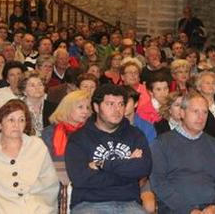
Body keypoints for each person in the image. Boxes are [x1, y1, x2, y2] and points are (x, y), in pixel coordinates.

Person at [65, 84, 152, 213]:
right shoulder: (79, 138)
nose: (117, 109)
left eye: (121, 104)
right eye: (110, 104)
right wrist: (127, 170)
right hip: (89, 204)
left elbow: (144, 168)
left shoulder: (135, 134)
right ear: (96, 107)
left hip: (128, 204)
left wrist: (102, 164)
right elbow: (80, 178)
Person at [0, 99, 59, 213]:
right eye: (11, 120)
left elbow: (49, 185)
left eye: (21, 120)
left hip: (35, 208)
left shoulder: (37, 147)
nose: (16, 125)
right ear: (0, 124)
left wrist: (32, 206)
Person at [150, 92, 215, 213]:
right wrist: (189, 210)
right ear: (182, 113)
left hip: (211, 208)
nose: (201, 117)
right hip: (176, 209)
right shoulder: (162, 143)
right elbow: (158, 182)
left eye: (205, 112)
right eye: (195, 111)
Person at [41, 90, 92, 162]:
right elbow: (46, 161)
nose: (85, 111)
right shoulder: (49, 133)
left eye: (87, 108)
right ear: (67, 108)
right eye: (80, 107)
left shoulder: (91, 131)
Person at [20, 71, 58, 136]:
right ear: (24, 90)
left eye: (40, 84)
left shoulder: (54, 107)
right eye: (32, 85)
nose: (37, 88)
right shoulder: (18, 108)